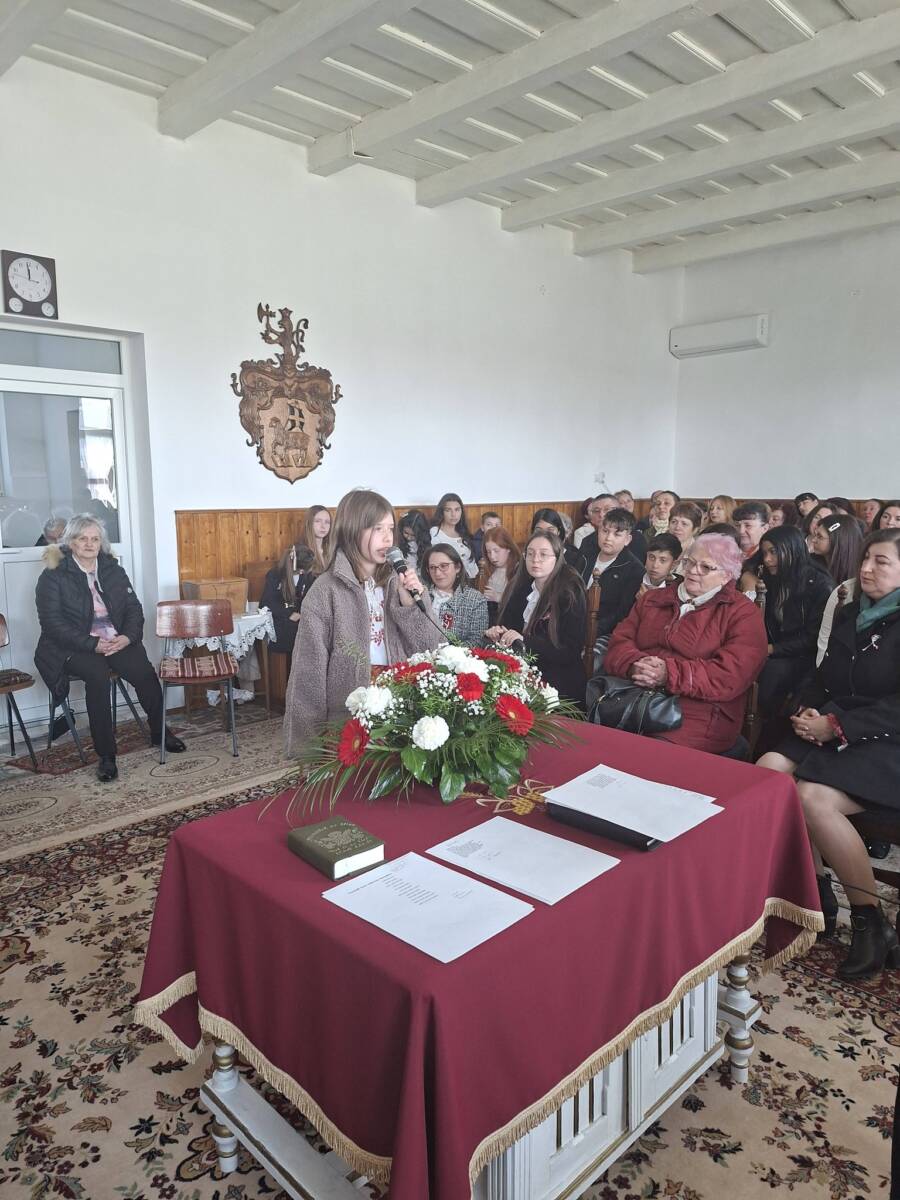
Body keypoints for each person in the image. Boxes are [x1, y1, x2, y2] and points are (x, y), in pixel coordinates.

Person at [757, 528, 900, 979]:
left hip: (886, 739)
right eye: (865, 559)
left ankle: (870, 921)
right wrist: (809, 709)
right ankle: (814, 896)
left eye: (881, 561)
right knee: (768, 772)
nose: (866, 569)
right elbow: (823, 675)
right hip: (837, 724)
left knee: (811, 797)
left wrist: (838, 726)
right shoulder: (852, 611)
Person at [284, 489, 442, 753]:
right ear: (352, 530)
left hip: (402, 706)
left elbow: (431, 647)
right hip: (350, 712)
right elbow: (308, 673)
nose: (387, 538)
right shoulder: (326, 591)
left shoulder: (399, 582)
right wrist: (308, 748)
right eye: (377, 528)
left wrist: (410, 605)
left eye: (390, 529)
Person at [34, 514, 184, 782]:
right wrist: (93, 644)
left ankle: (160, 732)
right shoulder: (53, 576)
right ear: (71, 542)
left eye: (95, 539)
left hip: (116, 639)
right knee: (98, 677)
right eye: (83, 538)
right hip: (75, 646)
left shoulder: (113, 570)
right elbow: (52, 624)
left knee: (143, 672)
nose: (89, 544)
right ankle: (106, 755)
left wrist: (127, 637)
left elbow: (134, 609)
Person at [605, 532, 768, 754]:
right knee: (598, 740)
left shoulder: (743, 614)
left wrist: (668, 674)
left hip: (699, 710)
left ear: (727, 576)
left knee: (647, 754)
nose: (692, 570)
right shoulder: (653, 599)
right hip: (634, 693)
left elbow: (730, 675)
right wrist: (636, 665)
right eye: (690, 562)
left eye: (706, 567)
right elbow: (619, 642)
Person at [487, 530, 587, 705]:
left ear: (557, 557)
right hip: (522, 670)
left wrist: (524, 640)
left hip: (558, 678)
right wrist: (499, 633)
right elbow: (508, 626)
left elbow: (569, 651)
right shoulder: (522, 587)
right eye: (530, 554)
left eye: (543, 554)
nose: (535, 560)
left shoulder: (569, 591)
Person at [756, 526, 833, 717]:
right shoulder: (771, 577)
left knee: (772, 672)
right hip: (774, 647)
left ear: (793, 549)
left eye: (774, 552)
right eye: (764, 553)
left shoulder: (819, 584)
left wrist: (771, 649)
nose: (767, 559)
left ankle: (763, 723)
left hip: (804, 655)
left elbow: (813, 638)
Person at [587, 508, 644, 669]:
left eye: (617, 534)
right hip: (575, 622)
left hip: (605, 632)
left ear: (627, 539)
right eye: (605, 531)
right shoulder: (586, 556)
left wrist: (591, 630)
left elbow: (621, 614)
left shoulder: (634, 570)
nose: (608, 538)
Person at [421, 543, 489, 647]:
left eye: (443, 566)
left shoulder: (475, 599)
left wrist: (447, 653)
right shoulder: (420, 595)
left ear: (457, 567)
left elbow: (478, 641)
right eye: (432, 567)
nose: (437, 573)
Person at [260, 542, 316, 656]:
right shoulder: (275, 575)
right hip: (280, 617)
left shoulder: (308, 576)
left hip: (300, 616)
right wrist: (289, 615)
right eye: (302, 571)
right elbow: (266, 603)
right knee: (290, 632)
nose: (304, 573)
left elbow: (310, 599)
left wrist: (301, 613)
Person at [531, 508, 589, 582]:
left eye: (550, 530)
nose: (545, 535)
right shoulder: (529, 555)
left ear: (558, 531)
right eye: (539, 530)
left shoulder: (576, 558)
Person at [430, 493, 478, 580]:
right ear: (442, 512)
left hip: (470, 580)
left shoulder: (463, 532)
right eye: (448, 510)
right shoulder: (435, 532)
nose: (453, 514)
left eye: (457, 510)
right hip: (447, 581)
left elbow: (471, 563)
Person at [479, 526, 522, 622]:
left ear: (508, 548)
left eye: (496, 551)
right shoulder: (489, 569)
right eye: (489, 552)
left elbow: (522, 602)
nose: (492, 556)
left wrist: (499, 597)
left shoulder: (519, 570)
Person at [810, 514, 864, 586]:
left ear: (838, 540)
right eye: (815, 534)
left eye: (820, 536)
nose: (813, 540)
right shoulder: (809, 564)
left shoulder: (860, 572)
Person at [303, 504, 332, 574]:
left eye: (327, 522)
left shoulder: (333, 550)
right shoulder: (301, 553)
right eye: (318, 521)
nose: (323, 526)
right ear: (309, 523)